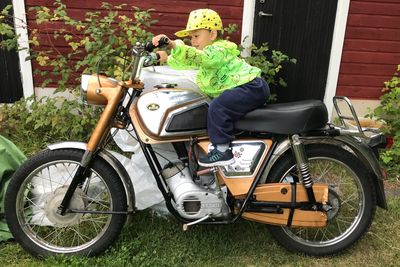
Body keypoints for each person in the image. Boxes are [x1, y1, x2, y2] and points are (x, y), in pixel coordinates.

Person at [152, 8, 270, 167]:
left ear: (213, 34)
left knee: (218, 107)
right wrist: (166, 58)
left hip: (251, 87)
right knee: (217, 106)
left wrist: (173, 44)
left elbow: (199, 57)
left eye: (196, 36)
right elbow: (188, 62)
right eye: (191, 37)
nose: (193, 41)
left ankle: (222, 151)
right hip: (246, 88)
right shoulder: (208, 53)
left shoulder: (218, 50)